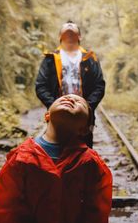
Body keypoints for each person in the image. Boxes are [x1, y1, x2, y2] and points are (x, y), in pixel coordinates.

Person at [0, 94, 113, 223]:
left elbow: (96, 214)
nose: (70, 99)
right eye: (63, 98)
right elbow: (7, 208)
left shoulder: (91, 163)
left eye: (80, 103)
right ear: (47, 115)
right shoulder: (21, 158)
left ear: (84, 129)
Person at [35, 20, 105, 148]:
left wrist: (87, 108)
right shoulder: (50, 58)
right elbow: (41, 86)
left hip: (83, 116)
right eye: (66, 25)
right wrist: (54, 106)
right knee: (57, 149)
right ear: (59, 36)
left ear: (79, 36)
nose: (69, 25)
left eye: (73, 25)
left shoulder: (90, 58)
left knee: (83, 151)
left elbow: (99, 86)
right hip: (57, 115)